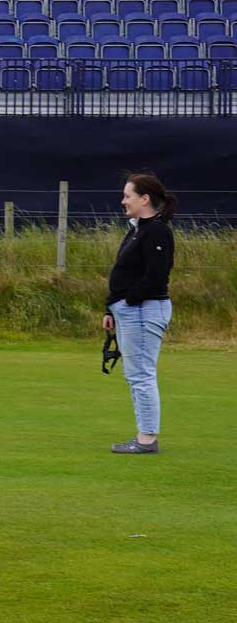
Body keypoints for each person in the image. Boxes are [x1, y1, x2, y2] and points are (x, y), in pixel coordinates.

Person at [103, 172, 176, 454]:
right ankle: (144, 435)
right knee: (136, 374)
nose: (123, 201)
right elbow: (124, 272)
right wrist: (111, 307)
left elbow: (156, 276)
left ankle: (146, 439)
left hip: (144, 310)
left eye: (128, 196)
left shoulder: (156, 231)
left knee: (141, 375)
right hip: (131, 310)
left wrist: (128, 301)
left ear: (144, 199)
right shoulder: (138, 229)